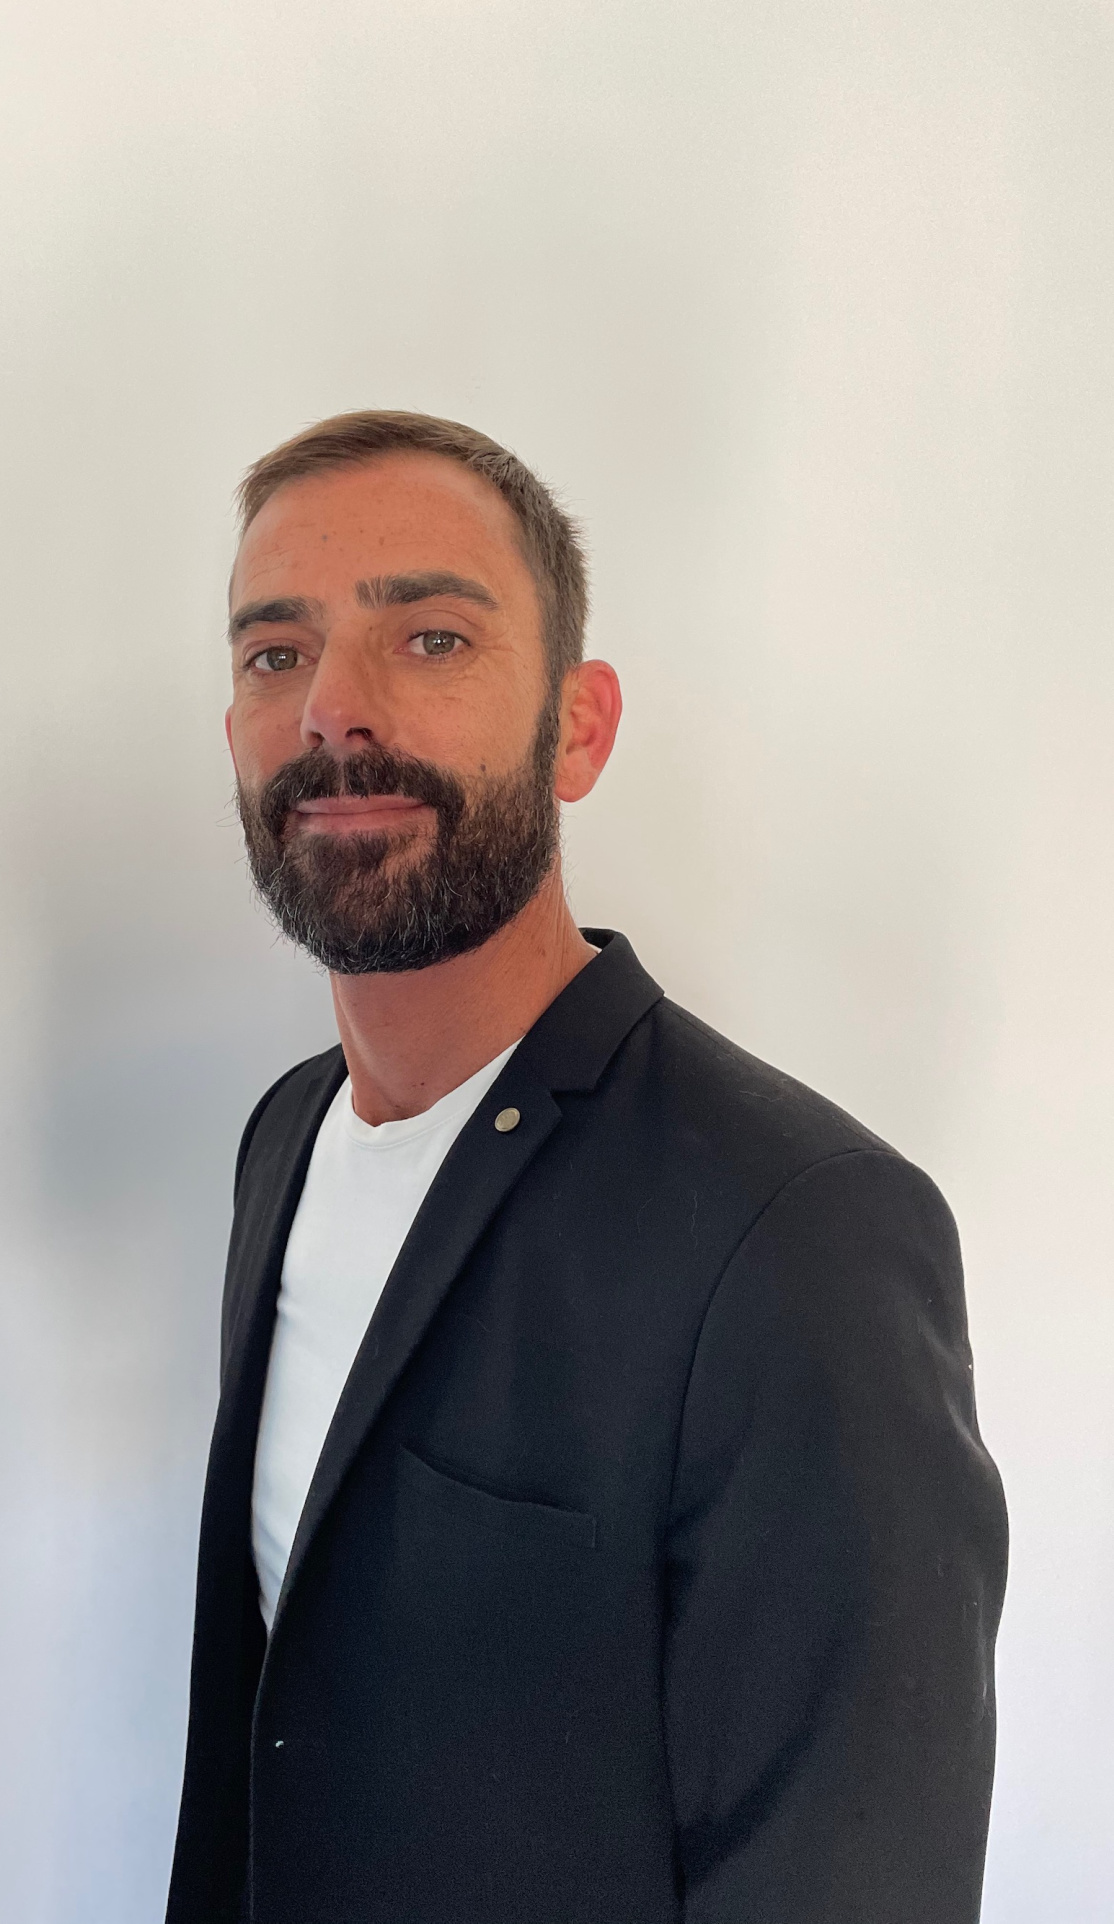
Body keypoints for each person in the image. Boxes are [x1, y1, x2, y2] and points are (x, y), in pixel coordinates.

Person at [166, 411, 1007, 1924]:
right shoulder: (283, 1141)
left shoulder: (794, 1230)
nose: (333, 709)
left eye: (429, 638)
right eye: (276, 653)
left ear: (579, 727)